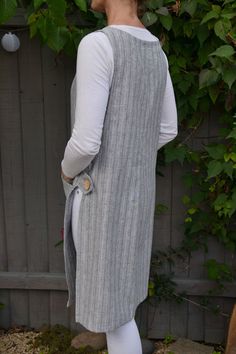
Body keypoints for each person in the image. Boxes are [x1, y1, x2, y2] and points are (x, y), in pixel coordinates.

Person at [60, 0, 178, 353]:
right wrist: (131, 158)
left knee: (116, 313)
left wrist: (65, 172)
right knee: (121, 307)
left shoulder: (98, 44)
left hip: (98, 198)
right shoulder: (157, 52)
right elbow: (168, 128)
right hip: (135, 198)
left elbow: (85, 142)